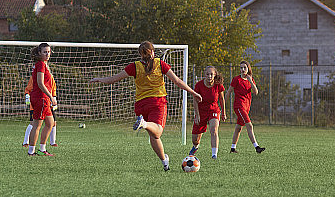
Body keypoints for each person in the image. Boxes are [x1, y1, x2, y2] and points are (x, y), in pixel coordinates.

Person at [89, 41, 202, 171]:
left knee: (154, 136)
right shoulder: (160, 64)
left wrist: (100, 79)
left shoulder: (134, 66)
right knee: (158, 130)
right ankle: (144, 123)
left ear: (140, 54)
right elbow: (177, 81)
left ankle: (165, 162)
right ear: (153, 52)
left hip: (141, 105)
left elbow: (113, 79)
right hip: (157, 103)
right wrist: (193, 92)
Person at [227, 61, 265, 154]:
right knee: (249, 125)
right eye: (241, 68)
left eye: (244, 67)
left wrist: (250, 81)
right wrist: (223, 107)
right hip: (239, 106)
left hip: (247, 106)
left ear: (248, 69)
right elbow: (229, 92)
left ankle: (232, 148)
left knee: (238, 128)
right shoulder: (236, 79)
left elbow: (256, 92)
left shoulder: (250, 79)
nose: (243, 70)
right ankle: (257, 147)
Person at [188, 66, 226, 159]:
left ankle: (214, 154)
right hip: (201, 112)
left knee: (214, 129)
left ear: (215, 75)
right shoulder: (199, 85)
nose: (209, 76)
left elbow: (221, 99)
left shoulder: (218, 85)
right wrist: (197, 115)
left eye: (211, 74)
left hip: (214, 110)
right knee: (195, 140)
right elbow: (195, 101)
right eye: (207, 74)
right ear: (204, 75)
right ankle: (196, 147)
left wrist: (223, 113)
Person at [27, 43, 57, 157]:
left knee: (50, 123)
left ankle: (42, 149)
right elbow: (40, 83)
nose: (47, 54)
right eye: (45, 52)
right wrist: (50, 96)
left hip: (43, 98)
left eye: (49, 52)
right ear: (39, 53)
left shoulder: (43, 64)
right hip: (41, 98)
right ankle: (31, 151)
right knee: (37, 125)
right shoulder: (40, 65)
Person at [23, 73, 58, 148]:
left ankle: (52, 142)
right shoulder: (35, 77)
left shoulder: (50, 76)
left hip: (48, 102)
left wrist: (54, 97)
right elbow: (29, 88)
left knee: (53, 123)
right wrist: (27, 96)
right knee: (34, 123)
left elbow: (53, 88)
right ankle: (26, 142)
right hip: (38, 103)